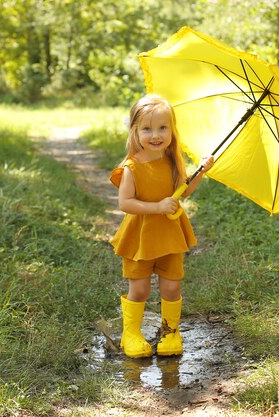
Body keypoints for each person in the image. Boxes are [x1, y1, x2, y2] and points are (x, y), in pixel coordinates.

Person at [109, 94, 214, 358]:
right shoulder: (132, 166)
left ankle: (170, 332)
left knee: (171, 286)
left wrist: (200, 170)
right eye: (147, 129)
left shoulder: (171, 159)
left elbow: (184, 190)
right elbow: (125, 203)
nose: (155, 135)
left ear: (171, 130)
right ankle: (131, 334)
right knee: (140, 288)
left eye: (162, 128)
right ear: (135, 130)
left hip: (169, 233)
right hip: (140, 235)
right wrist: (156, 207)